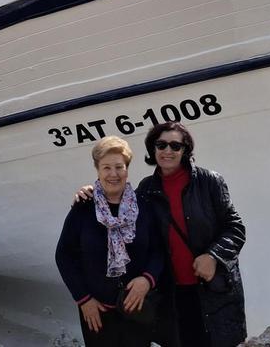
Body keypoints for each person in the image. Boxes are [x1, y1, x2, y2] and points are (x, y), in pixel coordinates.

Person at [74, 122, 247, 347]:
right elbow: (121, 216)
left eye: (175, 146)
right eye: (161, 145)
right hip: (172, 294)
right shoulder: (147, 189)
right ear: (153, 149)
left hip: (211, 289)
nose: (168, 151)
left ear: (185, 150)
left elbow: (235, 227)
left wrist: (213, 256)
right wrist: (91, 192)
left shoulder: (209, 182)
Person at [56, 136, 165, 347]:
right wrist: (83, 300)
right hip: (97, 312)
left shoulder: (143, 207)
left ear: (127, 170)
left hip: (136, 307)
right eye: (106, 168)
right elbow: (64, 256)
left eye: (119, 167)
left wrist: (147, 280)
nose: (113, 174)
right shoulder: (83, 208)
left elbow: (158, 250)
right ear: (97, 170)